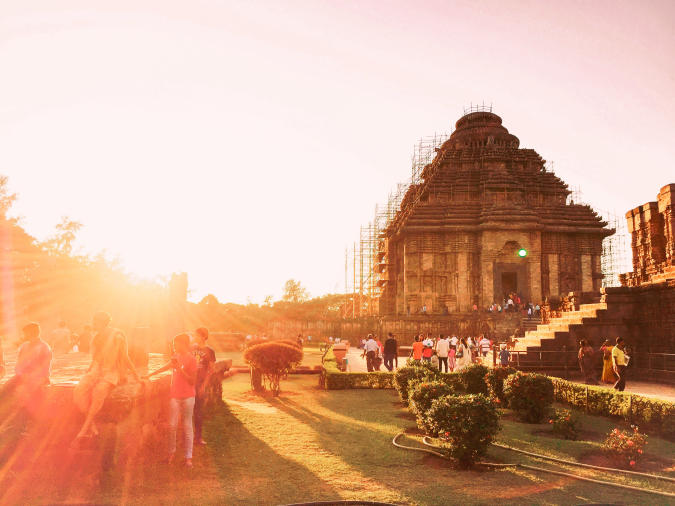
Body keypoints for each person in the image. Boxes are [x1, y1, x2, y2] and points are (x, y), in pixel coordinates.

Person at [73, 312, 141, 443]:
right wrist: (89, 370)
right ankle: (92, 425)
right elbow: (95, 358)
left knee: (98, 391)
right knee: (78, 391)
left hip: (111, 371)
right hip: (96, 370)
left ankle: (83, 430)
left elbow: (125, 357)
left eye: (95, 322)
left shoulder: (117, 335)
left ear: (103, 322)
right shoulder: (96, 337)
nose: (93, 325)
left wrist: (136, 375)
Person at [146, 333, 197, 467]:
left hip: (188, 397)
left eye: (176, 344)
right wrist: (149, 375)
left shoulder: (192, 359)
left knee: (187, 426)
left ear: (184, 344)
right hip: (175, 396)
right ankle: (170, 454)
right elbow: (166, 367)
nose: (174, 346)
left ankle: (188, 458)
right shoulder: (175, 357)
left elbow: (192, 381)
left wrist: (180, 369)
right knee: (172, 426)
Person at [8, 323, 52, 425]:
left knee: (33, 392)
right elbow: (18, 364)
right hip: (23, 375)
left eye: (25, 333)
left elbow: (45, 368)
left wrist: (31, 377)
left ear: (31, 333)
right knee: (6, 389)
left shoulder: (44, 347)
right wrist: (21, 374)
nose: (24, 336)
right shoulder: (24, 346)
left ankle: (32, 420)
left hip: (38, 377)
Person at [192, 327, 216, 446]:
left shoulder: (209, 351)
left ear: (202, 337)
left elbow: (211, 370)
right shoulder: (191, 348)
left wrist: (203, 386)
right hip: (189, 383)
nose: (194, 337)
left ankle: (198, 438)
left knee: (198, 412)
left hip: (200, 384)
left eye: (195, 335)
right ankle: (188, 438)